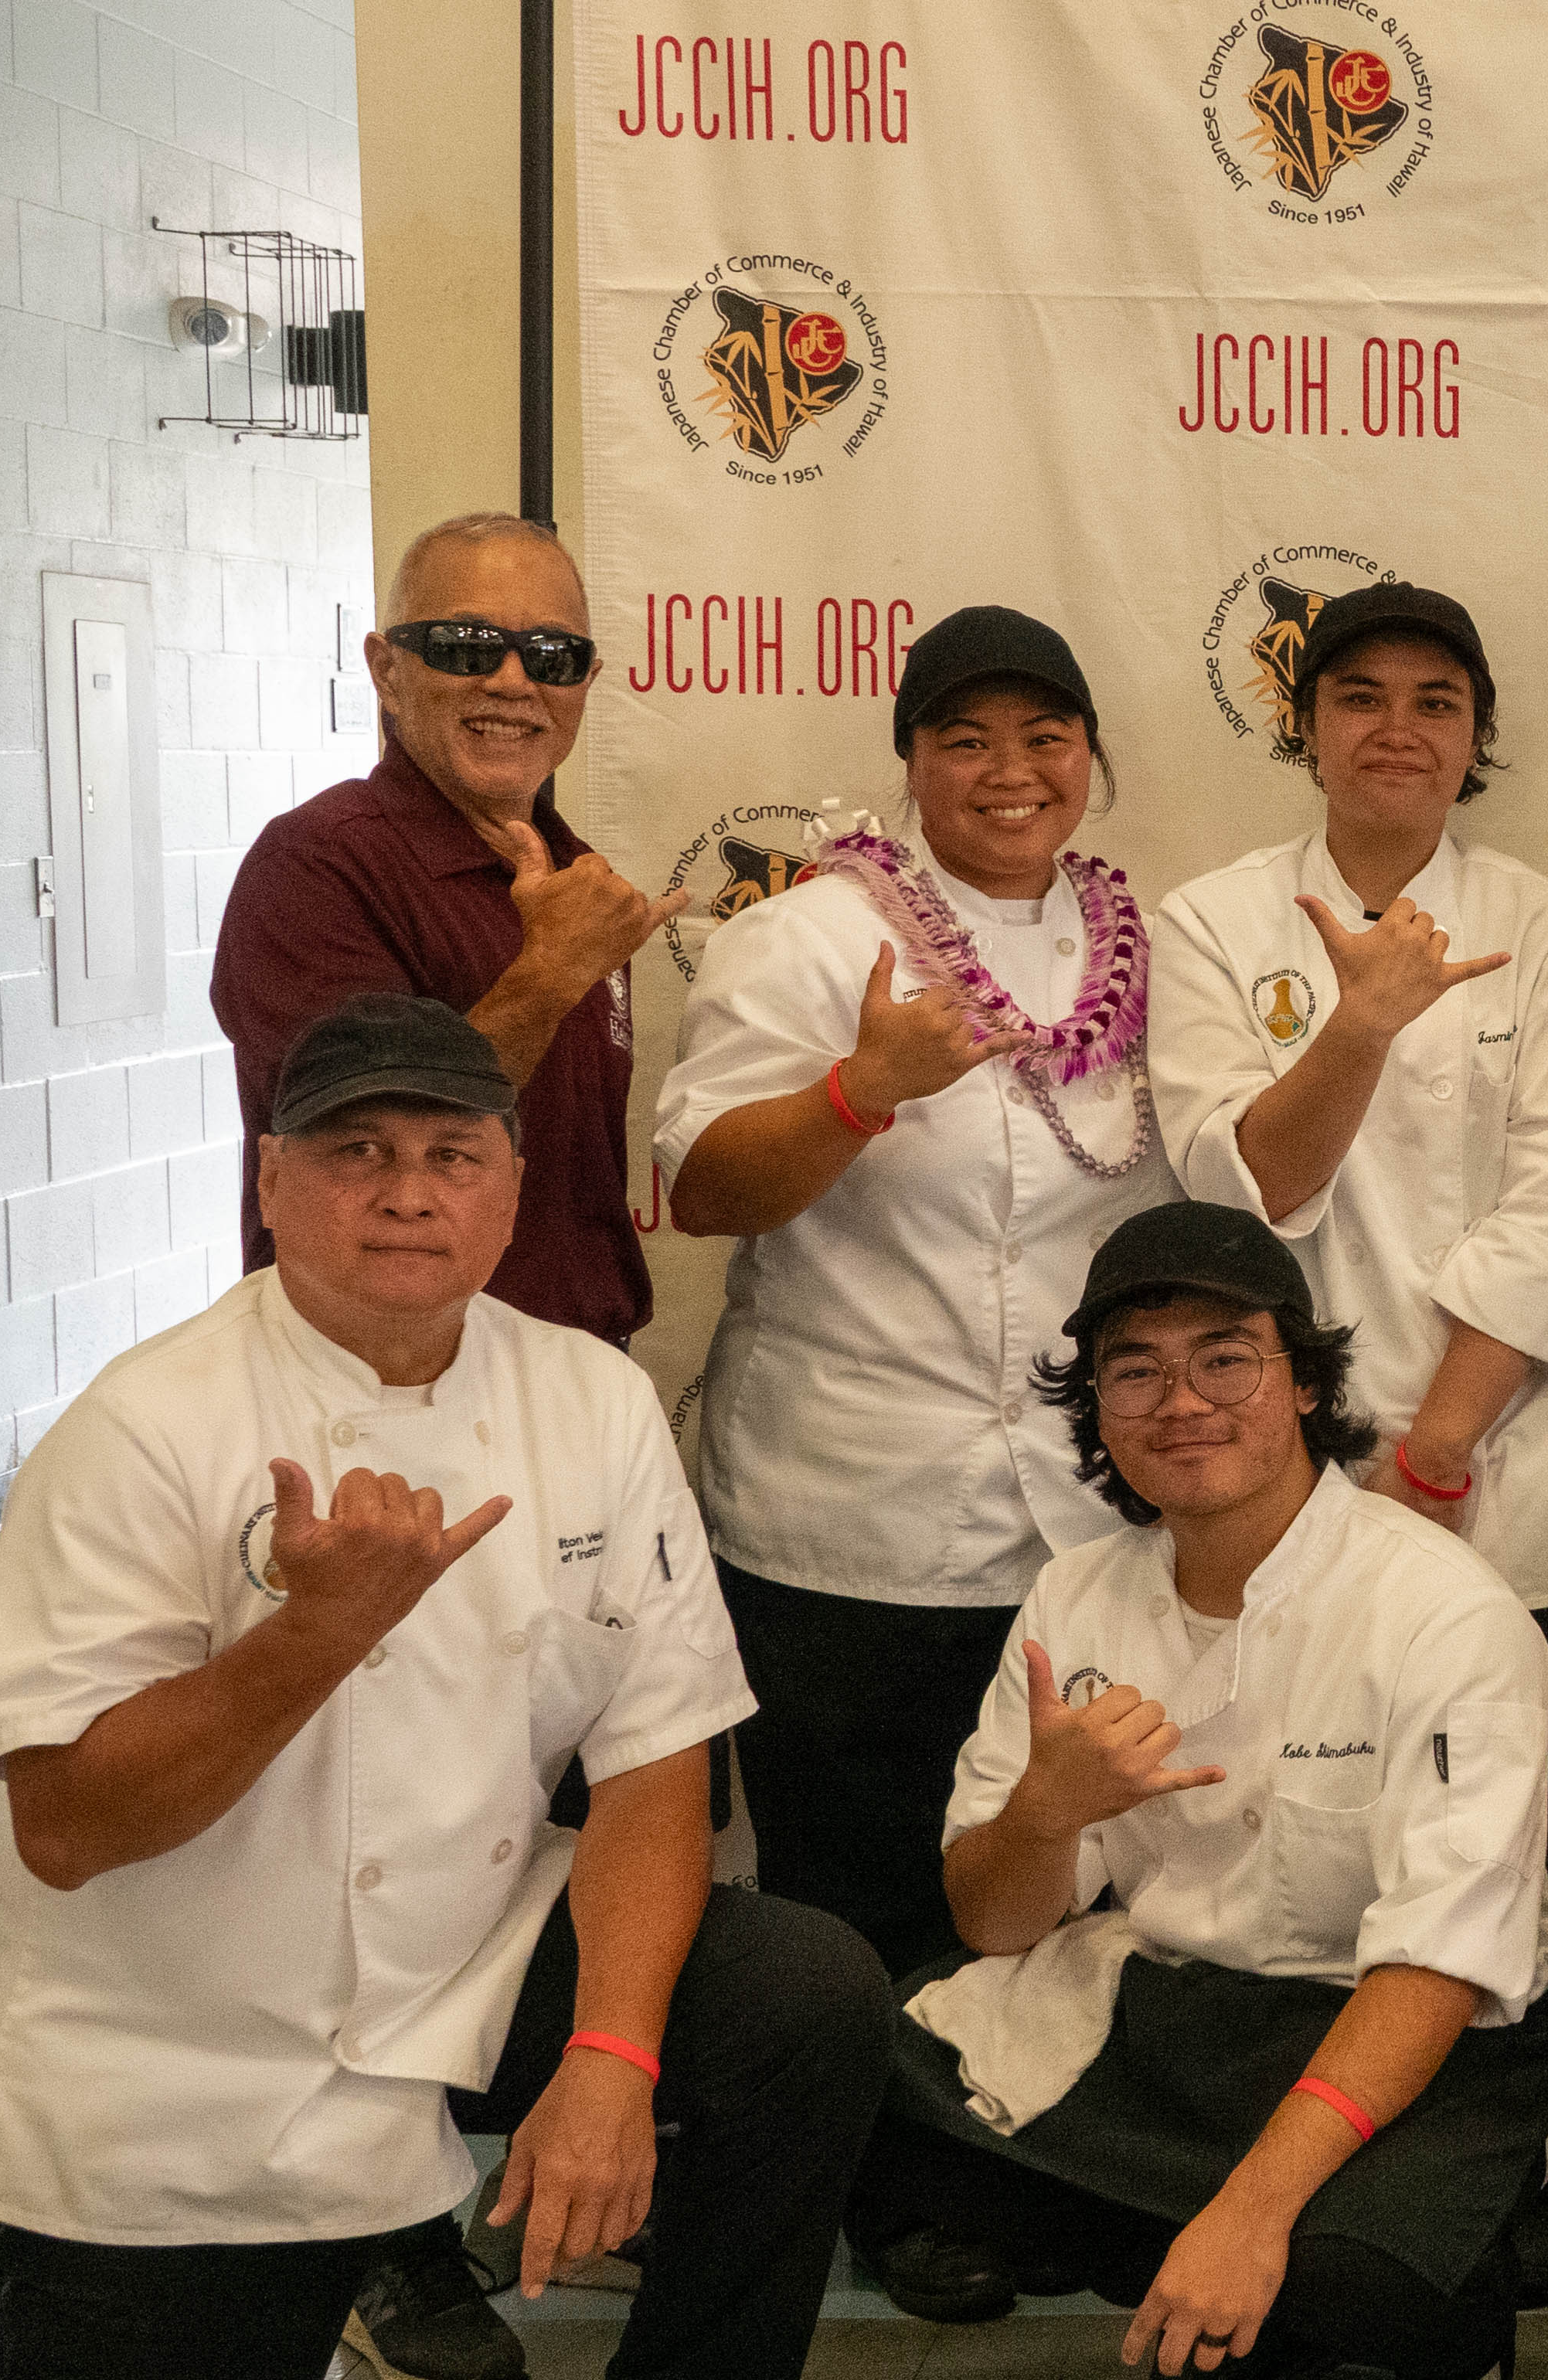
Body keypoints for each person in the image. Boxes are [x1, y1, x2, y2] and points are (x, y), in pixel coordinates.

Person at [0, 993, 890, 2380]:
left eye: (452, 1155)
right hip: (185, 2039)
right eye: (357, 1152)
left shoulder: (589, 1399)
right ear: (272, 1181)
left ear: (513, 1192)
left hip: (463, 1945)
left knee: (802, 1993)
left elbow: (658, 1760)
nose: (408, 1194)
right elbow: (67, 1829)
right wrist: (318, 1632)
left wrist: (610, 2054)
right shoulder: (145, 1425)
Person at [849, 1200, 1548, 2375]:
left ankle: (1380, 2224)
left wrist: (1251, 2212)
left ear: (1303, 1383)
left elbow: (1440, 1965)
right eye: (1133, 1373)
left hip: (1406, 2026)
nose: (1182, 1404)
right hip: (1186, 2012)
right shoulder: (1075, 1601)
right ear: (1095, 1408)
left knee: (1359, 2291)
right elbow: (991, 1923)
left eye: (1226, 1361)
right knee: (852, 2062)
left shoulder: (1445, 1611)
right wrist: (1049, 1809)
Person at [654, 605, 1174, 2019]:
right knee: (857, 1889)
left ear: (1091, 759)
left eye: (1044, 738)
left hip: (1077, 1523)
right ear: (909, 763)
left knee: (1055, 1881)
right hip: (847, 1519)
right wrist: (855, 1093)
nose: (1010, 771)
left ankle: (1000, 2184)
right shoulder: (806, 941)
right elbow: (703, 1191)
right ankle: (879, 2184)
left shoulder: (1144, 947)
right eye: (965, 741)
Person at [1150, 582, 1548, 1844]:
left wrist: (1433, 1457)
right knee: (1291, 1849)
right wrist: (1360, 1024)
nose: (1395, 728)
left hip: (1500, 1477)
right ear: (1305, 727)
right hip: (1282, 1477)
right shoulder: (1213, 922)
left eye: (1435, 703)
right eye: (1358, 698)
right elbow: (1245, 1192)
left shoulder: (1538, 921)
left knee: (1503, 1864)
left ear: (1474, 743)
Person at [217, 513, 682, 1346]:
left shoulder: (576, 877)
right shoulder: (318, 864)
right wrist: (548, 973)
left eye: (552, 656)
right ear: (386, 670)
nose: (512, 681)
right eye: (467, 645)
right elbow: (369, 1144)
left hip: (574, 1379)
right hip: (383, 1382)